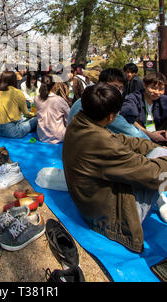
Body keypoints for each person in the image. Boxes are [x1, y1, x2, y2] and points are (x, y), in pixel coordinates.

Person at [63, 83, 167, 253]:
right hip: (107, 220)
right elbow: (152, 173)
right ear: (111, 116)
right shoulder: (100, 142)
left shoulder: (81, 122)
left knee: (158, 153)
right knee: (160, 165)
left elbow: (122, 140)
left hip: (92, 201)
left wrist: (151, 146)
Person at [67, 67, 149, 139]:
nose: (118, 91)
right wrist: (152, 142)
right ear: (101, 84)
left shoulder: (86, 99)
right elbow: (130, 131)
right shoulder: (102, 103)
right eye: (114, 86)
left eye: (121, 88)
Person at [120, 71, 167, 144]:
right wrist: (151, 135)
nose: (157, 92)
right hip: (140, 138)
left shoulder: (163, 100)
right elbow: (128, 118)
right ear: (145, 85)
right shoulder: (133, 98)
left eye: (161, 89)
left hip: (160, 136)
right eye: (153, 88)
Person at [0, 71, 37, 138]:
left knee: (22, 118)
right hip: (12, 131)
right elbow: (27, 114)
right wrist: (35, 114)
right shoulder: (18, 92)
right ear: (14, 80)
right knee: (37, 118)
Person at [34, 75, 70, 144]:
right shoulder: (59, 100)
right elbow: (68, 116)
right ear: (54, 86)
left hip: (42, 135)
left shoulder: (36, 99)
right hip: (59, 136)